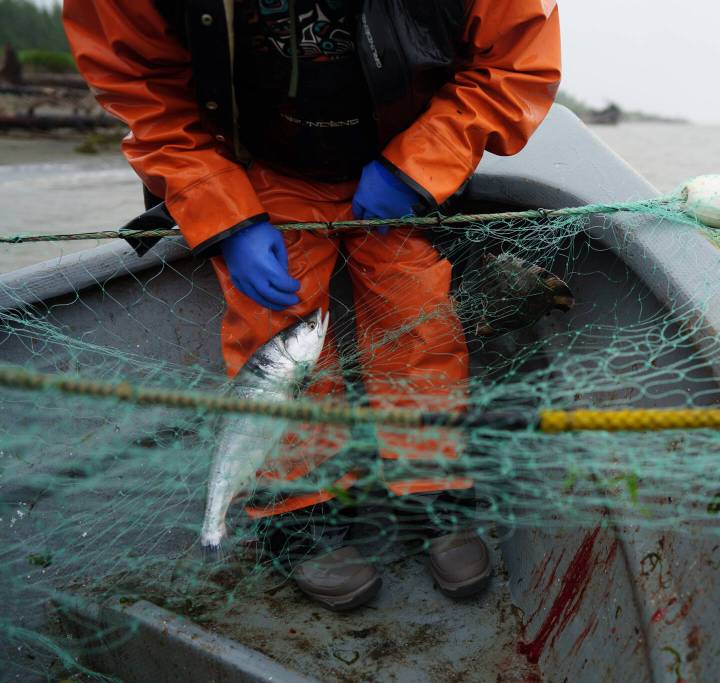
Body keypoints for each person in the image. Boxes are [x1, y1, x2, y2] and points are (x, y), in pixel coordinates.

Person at [63, 0, 561, 610]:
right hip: (265, 171)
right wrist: (225, 214)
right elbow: (143, 92)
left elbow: (515, 65)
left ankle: (432, 492)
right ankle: (298, 515)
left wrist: (417, 167)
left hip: (409, 157)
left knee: (419, 324)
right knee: (272, 322)